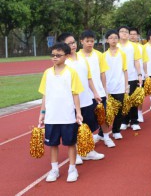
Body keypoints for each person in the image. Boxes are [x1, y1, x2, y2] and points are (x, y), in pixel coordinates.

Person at [38, 42, 83, 183]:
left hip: (67, 116)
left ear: (67, 56)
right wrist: (42, 112)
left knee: (71, 143)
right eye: (53, 55)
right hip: (51, 116)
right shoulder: (47, 73)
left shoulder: (72, 73)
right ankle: (54, 169)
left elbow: (75, 94)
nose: (55, 57)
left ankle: (72, 168)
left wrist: (78, 113)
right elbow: (45, 94)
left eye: (58, 55)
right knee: (53, 144)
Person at [57, 33, 105, 164]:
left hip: (86, 99)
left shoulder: (82, 58)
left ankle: (88, 151)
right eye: (69, 43)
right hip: (71, 102)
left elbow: (89, 78)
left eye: (73, 42)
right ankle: (77, 153)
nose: (72, 45)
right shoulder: (63, 62)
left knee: (87, 126)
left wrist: (95, 93)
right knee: (74, 128)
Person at [78, 30, 116, 148]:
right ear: (81, 42)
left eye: (92, 41)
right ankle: (87, 142)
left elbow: (102, 73)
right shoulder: (77, 56)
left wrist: (105, 90)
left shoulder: (98, 55)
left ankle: (106, 137)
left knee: (102, 116)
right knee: (86, 120)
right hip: (84, 94)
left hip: (99, 92)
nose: (90, 43)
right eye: (87, 41)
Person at [102, 30, 128, 140]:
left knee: (119, 110)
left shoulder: (122, 54)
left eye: (115, 38)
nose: (114, 40)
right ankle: (102, 133)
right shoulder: (103, 55)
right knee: (107, 112)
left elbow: (125, 70)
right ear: (107, 40)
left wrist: (126, 86)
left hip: (120, 86)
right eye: (111, 38)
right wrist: (104, 88)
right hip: (108, 88)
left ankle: (116, 130)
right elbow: (102, 73)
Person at [117, 26, 142, 131]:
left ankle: (134, 121)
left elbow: (136, 61)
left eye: (126, 32)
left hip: (131, 76)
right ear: (118, 33)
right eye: (122, 31)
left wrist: (139, 75)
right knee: (123, 100)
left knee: (132, 99)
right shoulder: (116, 46)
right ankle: (124, 121)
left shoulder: (133, 46)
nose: (124, 33)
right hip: (119, 78)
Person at [129, 28, 146, 122]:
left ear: (138, 36)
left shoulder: (142, 47)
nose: (132, 36)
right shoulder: (124, 47)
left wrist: (145, 73)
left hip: (139, 75)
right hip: (129, 76)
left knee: (139, 96)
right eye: (130, 34)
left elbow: (144, 61)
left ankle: (139, 113)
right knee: (128, 97)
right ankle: (128, 118)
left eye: (134, 34)